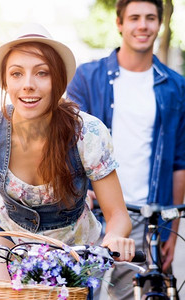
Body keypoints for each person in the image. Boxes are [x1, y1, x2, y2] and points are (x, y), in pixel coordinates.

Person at [0, 23, 135, 282]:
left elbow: (117, 214)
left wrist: (114, 237)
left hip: (71, 251)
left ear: (58, 80)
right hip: (4, 237)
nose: (28, 85)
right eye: (17, 74)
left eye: (41, 73)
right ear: (5, 80)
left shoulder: (87, 133)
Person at [67, 1, 185, 299]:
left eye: (150, 18)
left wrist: (171, 226)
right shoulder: (87, 77)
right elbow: (65, 144)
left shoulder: (176, 87)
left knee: (136, 295)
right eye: (134, 18)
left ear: (160, 24)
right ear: (120, 23)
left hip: (145, 217)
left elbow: (179, 162)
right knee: (79, 293)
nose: (142, 25)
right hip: (90, 213)